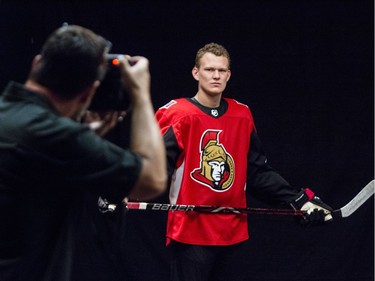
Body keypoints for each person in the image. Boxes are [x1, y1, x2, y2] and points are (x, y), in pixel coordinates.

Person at [0, 25, 166, 281]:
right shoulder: (55, 137)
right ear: (88, 92)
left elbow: (37, 168)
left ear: (36, 63)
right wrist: (141, 94)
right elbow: (152, 179)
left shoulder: (13, 119)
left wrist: (87, 136)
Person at [155, 42, 333, 281]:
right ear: (196, 73)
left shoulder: (241, 115)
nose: (216, 75)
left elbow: (256, 172)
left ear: (229, 75)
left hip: (232, 230)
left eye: (221, 70)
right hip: (191, 233)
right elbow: (154, 168)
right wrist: (123, 189)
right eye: (209, 70)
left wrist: (299, 200)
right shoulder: (179, 114)